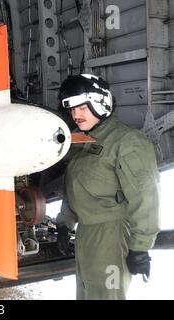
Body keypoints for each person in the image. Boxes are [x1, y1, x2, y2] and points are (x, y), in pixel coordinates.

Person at [56, 73, 160, 300]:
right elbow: (75, 187)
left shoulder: (126, 141)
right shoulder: (83, 141)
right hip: (86, 235)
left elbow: (146, 196)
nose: (76, 115)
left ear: (99, 103)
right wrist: (65, 223)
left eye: (82, 107)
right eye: (72, 109)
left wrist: (140, 247)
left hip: (112, 238)